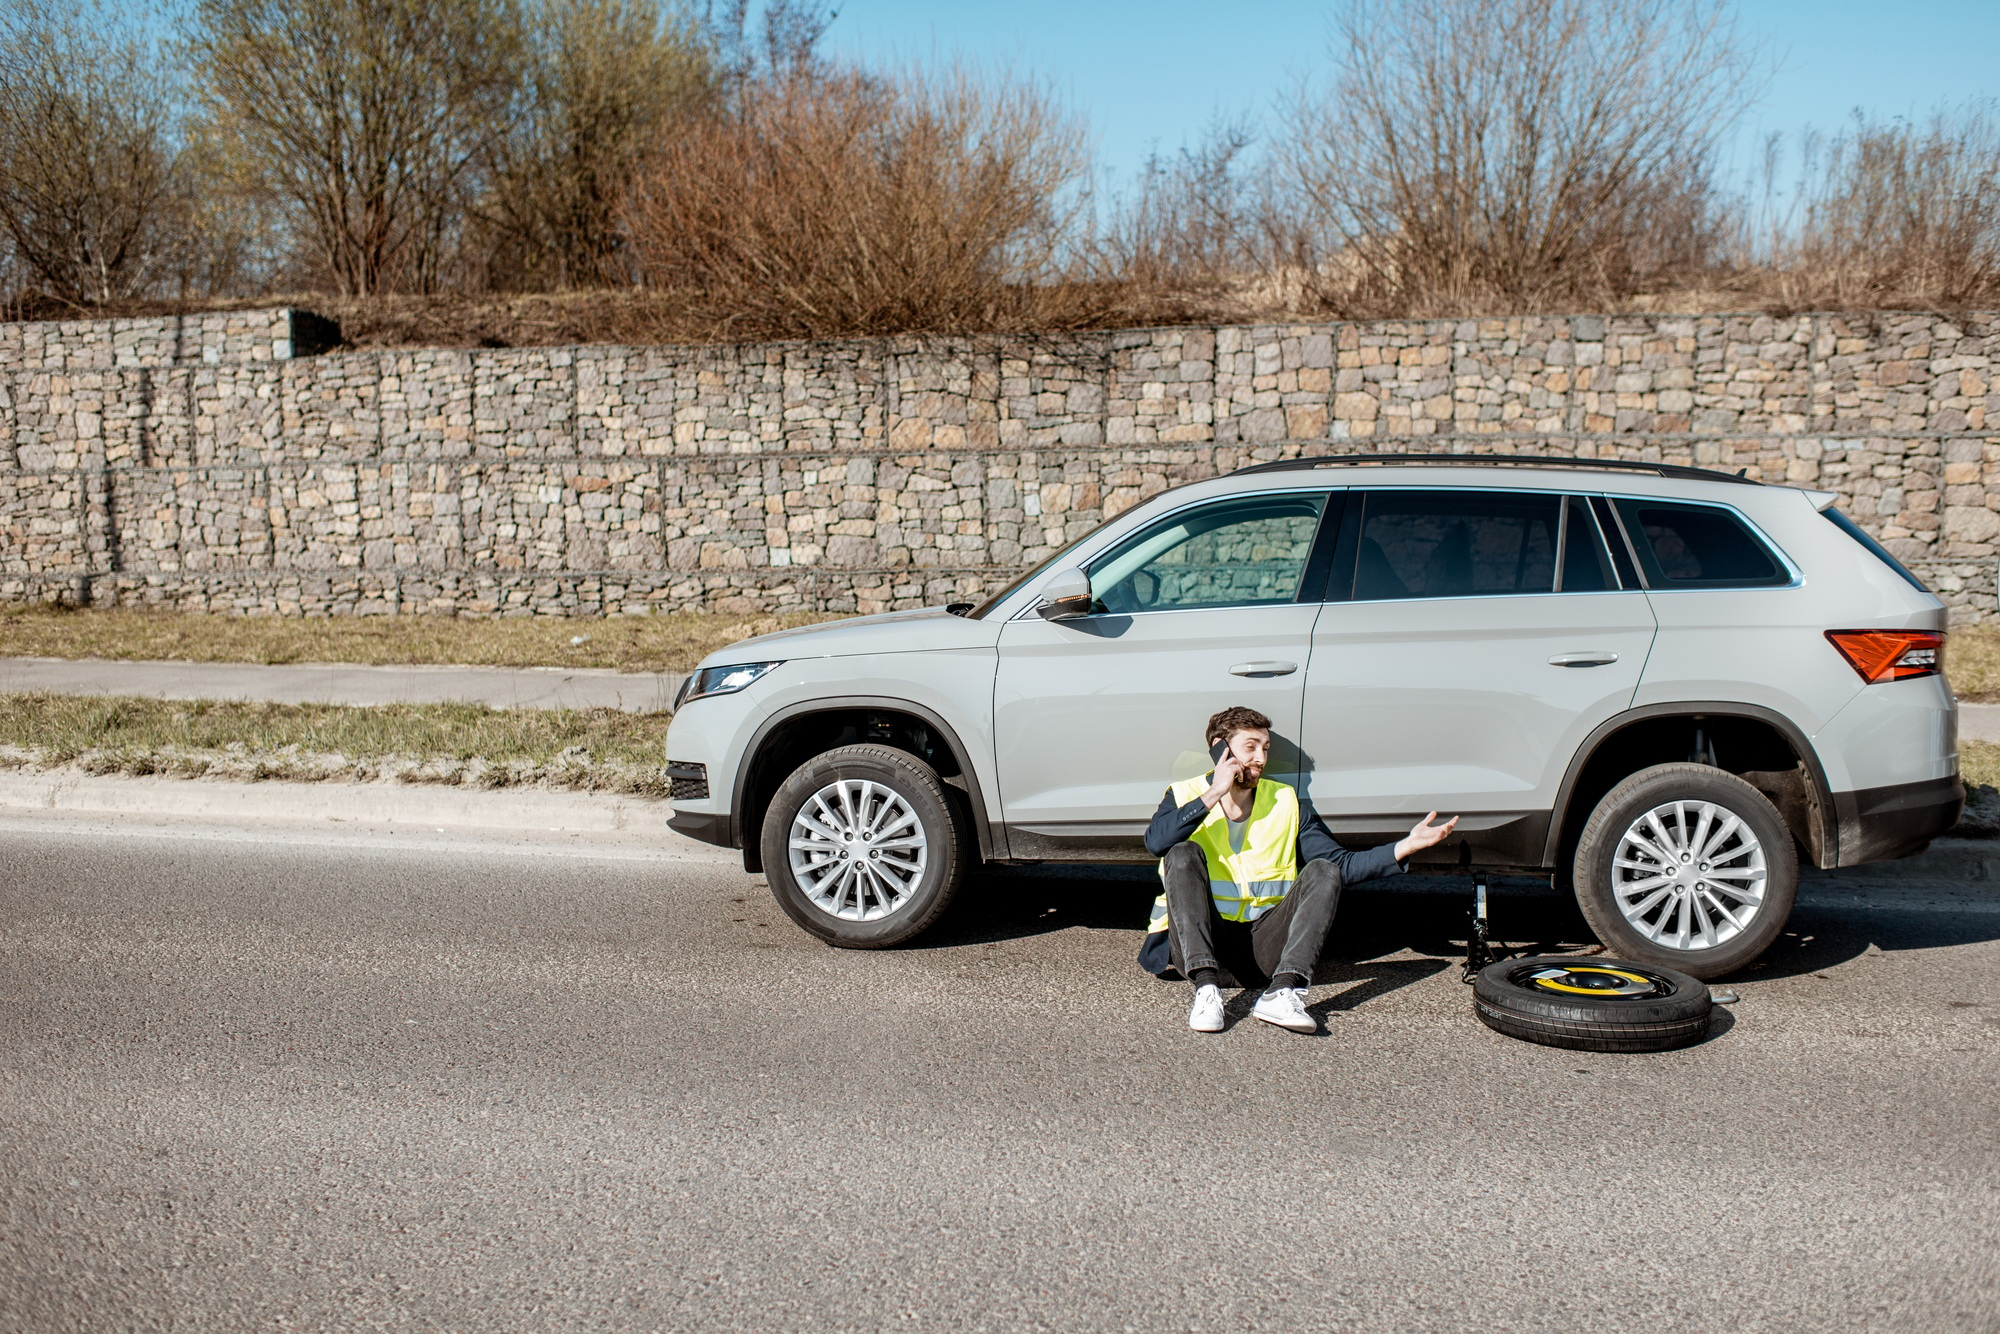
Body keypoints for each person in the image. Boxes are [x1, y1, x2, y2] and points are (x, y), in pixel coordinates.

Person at [1140, 705, 1457, 1034]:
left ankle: (1283, 992)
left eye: (1265, 748)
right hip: (1203, 951)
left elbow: (1340, 866)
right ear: (1221, 748)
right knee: (1181, 852)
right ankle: (1206, 991)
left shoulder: (1285, 801)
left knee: (1323, 869)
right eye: (1250, 747)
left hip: (1266, 952)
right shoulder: (1184, 794)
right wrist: (1215, 791)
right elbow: (1156, 843)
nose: (1261, 758)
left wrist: (1405, 846)